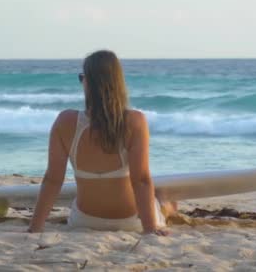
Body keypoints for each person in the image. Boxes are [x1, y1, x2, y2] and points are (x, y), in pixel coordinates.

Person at [27, 50, 176, 235]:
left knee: (158, 200)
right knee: (165, 203)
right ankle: (166, 207)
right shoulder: (135, 121)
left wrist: (35, 228)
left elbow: (52, 180)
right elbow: (141, 181)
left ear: (88, 82)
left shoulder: (65, 122)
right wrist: (151, 229)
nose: (82, 82)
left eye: (82, 77)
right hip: (130, 221)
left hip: (83, 221)